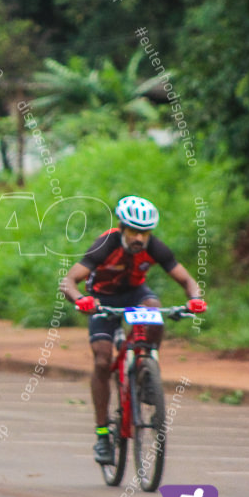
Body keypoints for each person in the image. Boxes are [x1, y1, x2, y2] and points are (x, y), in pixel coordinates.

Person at [60, 196, 206, 465]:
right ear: (122, 227)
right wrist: (80, 299)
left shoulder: (155, 248)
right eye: (133, 231)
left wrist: (195, 298)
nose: (139, 237)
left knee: (154, 310)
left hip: (136, 295)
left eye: (145, 232)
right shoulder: (106, 244)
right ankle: (103, 434)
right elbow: (69, 280)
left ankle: (147, 368)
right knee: (103, 360)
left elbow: (186, 279)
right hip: (102, 300)